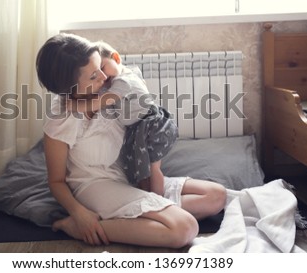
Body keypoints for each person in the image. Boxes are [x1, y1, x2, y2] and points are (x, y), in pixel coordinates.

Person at [36, 33, 226, 248]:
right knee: (185, 228)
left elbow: (130, 84)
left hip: (131, 174)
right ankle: (82, 227)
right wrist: (79, 213)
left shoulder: (110, 88)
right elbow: (56, 182)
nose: (102, 77)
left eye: (99, 66)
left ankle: (141, 218)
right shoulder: (61, 120)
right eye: (92, 77)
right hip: (96, 185)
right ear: (69, 89)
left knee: (216, 196)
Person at [67, 41, 177, 196]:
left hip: (151, 125)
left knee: (153, 168)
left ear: (116, 58)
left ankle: (159, 199)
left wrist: (76, 106)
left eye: (103, 67)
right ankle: (146, 193)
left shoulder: (122, 81)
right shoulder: (126, 74)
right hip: (139, 127)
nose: (102, 77)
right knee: (141, 169)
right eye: (96, 72)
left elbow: (103, 101)